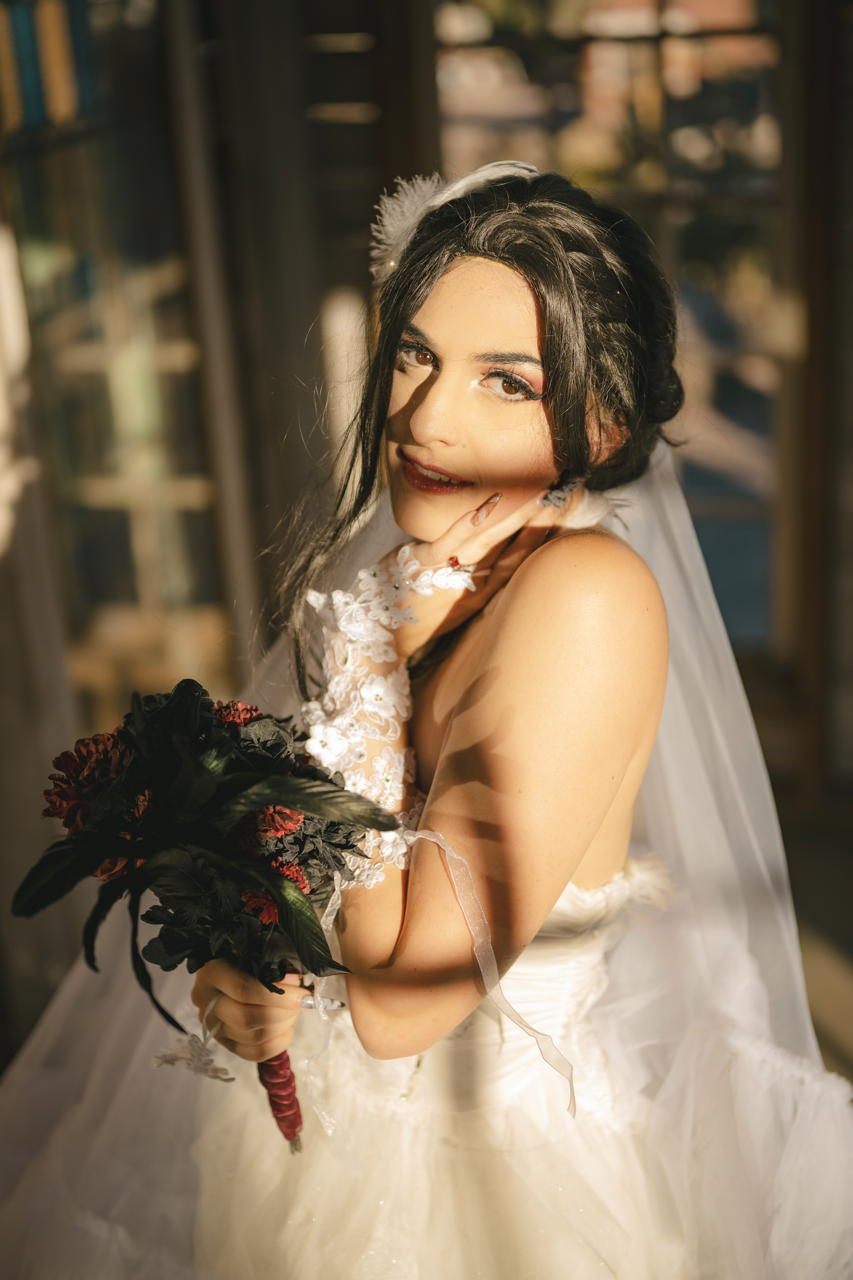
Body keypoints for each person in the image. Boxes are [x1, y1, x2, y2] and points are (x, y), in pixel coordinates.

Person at [0, 162, 851, 1279]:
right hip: (323, 1144)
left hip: (487, 1191)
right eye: (414, 352)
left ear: (600, 418)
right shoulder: (431, 565)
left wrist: (360, 662)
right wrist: (249, 966)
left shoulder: (582, 598)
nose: (423, 415)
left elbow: (403, 1008)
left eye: (506, 380)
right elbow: (331, 872)